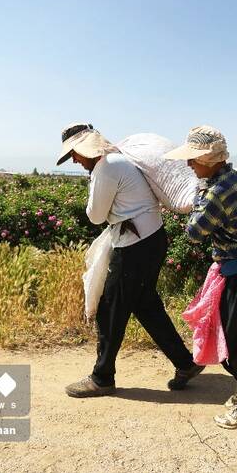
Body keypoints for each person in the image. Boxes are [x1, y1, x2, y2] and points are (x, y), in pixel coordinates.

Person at [57, 123, 203, 397]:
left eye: (74, 154)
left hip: (134, 245)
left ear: (85, 150)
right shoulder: (118, 161)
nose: (75, 160)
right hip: (151, 239)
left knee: (110, 309)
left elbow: (95, 216)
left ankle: (102, 378)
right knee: (145, 305)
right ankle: (185, 363)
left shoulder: (107, 167)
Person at [164, 125, 237, 429]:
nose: (189, 164)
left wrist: (198, 196)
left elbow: (194, 232)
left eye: (193, 159)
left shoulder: (217, 192)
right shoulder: (230, 179)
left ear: (211, 160)